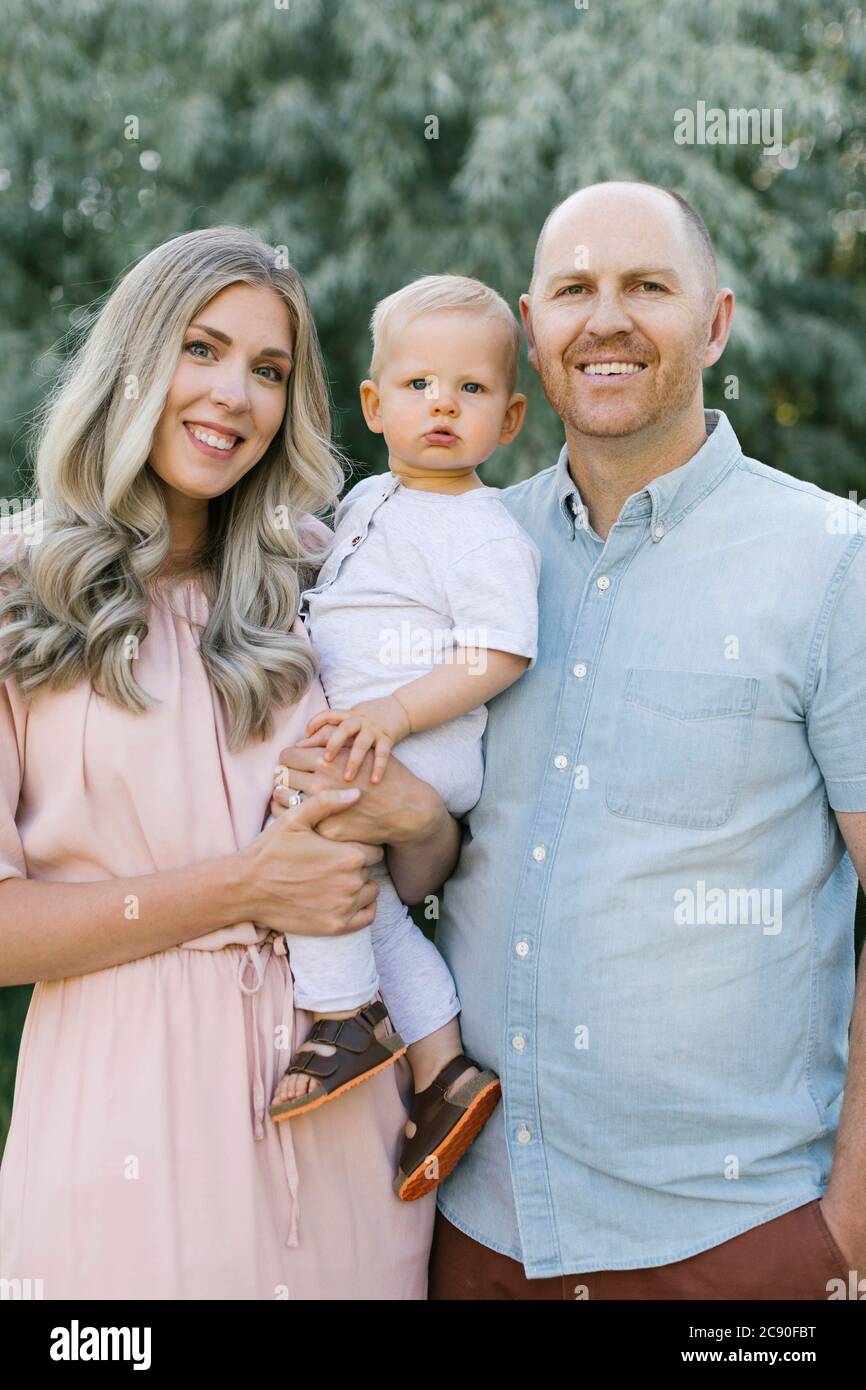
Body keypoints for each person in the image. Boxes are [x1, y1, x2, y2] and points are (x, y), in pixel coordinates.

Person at [402, 180, 866, 1300]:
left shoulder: (830, 561)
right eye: (573, 291)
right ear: (532, 329)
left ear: (712, 321)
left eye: (645, 286)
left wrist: (844, 1230)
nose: (603, 319)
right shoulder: (462, 553)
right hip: (479, 1238)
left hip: (737, 1244)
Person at [0, 225, 458, 1299]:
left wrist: (413, 813)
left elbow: (414, 878)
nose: (233, 396)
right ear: (132, 361)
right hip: (121, 1138)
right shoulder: (18, 595)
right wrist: (243, 888)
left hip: (349, 1136)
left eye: (268, 370)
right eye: (200, 350)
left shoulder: (328, 584)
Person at [267, 275, 541, 1204]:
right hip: (377, 739)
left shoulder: (480, 529)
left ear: (507, 420)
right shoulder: (371, 497)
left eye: (470, 391)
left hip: (416, 746)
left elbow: (499, 651)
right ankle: (443, 1069)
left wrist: (393, 715)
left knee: (314, 842)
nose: (442, 406)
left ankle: (343, 1015)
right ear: (376, 405)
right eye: (420, 386)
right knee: (367, 901)